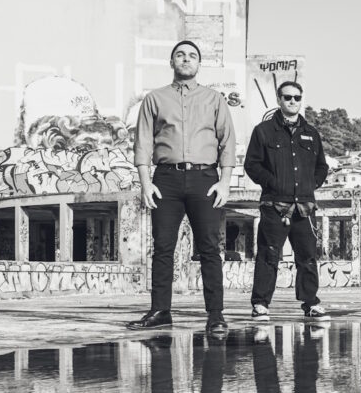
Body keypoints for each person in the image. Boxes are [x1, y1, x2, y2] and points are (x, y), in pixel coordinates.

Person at [126, 40, 236, 333]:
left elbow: (227, 141)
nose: (186, 59)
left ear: (199, 63)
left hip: (205, 179)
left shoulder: (214, 99)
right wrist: (145, 183)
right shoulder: (155, 99)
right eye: (180, 55)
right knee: (163, 247)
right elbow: (143, 142)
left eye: (192, 56)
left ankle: (215, 315)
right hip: (166, 180)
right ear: (171, 62)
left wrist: (224, 182)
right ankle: (160, 311)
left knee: (210, 248)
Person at [244, 81, 331, 321]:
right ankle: (260, 304)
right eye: (288, 97)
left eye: (297, 97)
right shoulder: (263, 131)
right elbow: (252, 164)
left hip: (305, 207)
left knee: (308, 257)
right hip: (274, 205)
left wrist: (311, 185)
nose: (293, 101)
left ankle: (311, 303)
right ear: (279, 99)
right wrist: (273, 183)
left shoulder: (311, 133)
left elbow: (322, 166)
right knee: (268, 255)